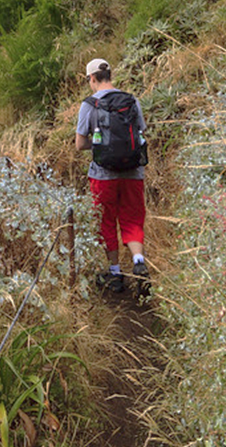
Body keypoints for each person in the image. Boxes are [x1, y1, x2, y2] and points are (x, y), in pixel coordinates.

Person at [75, 58, 149, 295]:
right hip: (133, 172)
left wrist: (99, 146)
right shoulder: (131, 100)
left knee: (106, 221)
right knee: (132, 219)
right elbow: (140, 132)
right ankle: (138, 261)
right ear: (110, 75)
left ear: (92, 78)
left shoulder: (89, 105)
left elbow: (80, 144)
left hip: (102, 175)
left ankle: (115, 273)